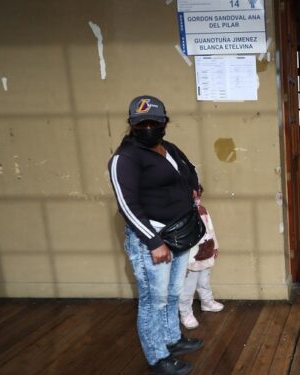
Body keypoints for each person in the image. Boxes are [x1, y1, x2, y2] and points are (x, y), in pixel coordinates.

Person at [108, 95, 204, 375]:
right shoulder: (124, 158)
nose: (149, 127)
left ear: (164, 122)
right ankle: (157, 357)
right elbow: (127, 205)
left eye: (155, 121)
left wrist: (194, 187)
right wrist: (153, 241)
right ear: (132, 125)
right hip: (153, 239)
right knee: (154, 300)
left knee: (173, 293)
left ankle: (172, 340)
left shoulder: (168, 148)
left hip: (178, 233)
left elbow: (188, 170)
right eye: (143, 123)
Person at [179, 198, 224, 329]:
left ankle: (207, 301)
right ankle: (185, 313)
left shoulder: (202, 210)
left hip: (206, 250)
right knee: (188, 286)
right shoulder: (181, 212)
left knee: (204, 280)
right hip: (191, 255)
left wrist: (215, 246)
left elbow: (210, 229)